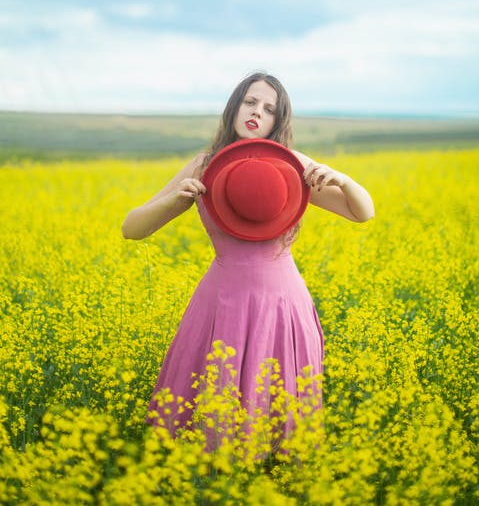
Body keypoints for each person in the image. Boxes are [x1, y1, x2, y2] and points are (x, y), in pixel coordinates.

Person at [122, 72, 375, 445]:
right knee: (210, 424)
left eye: (269, 109)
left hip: (283, 307)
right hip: (221, 305)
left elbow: (362, 212)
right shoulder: (204, 164)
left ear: (278, 120)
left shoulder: (292, 166)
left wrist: (341, 178)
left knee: (278, 420)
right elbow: (132, 228)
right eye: (250, 102)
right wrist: (176, 201)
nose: (257, 112)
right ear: (235, 107)